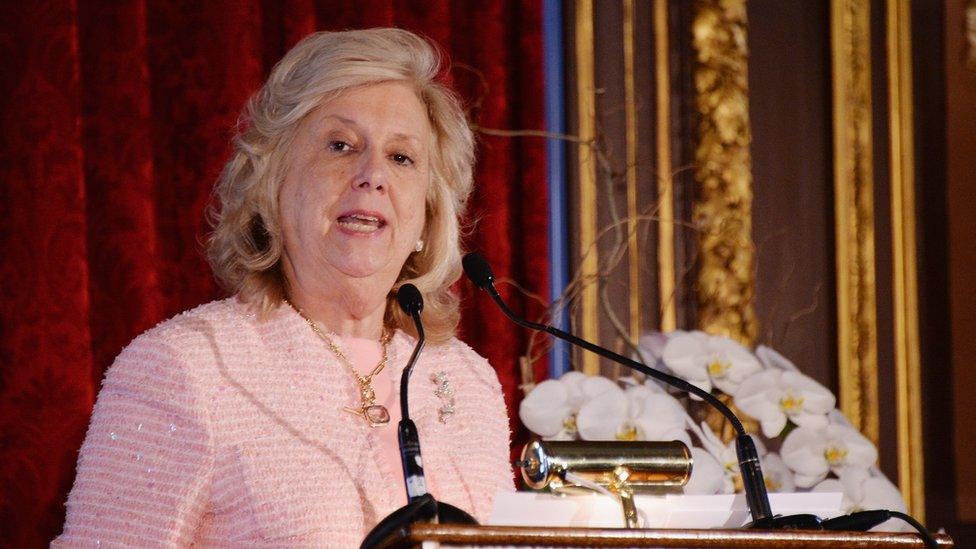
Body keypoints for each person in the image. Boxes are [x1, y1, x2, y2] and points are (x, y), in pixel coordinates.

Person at [54, 28, 514, 547]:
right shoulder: (182, 369)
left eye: (401, 157)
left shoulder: (467, 379)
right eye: (340, 146)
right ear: (271, 183)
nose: (371, 176)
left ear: (429, 214)